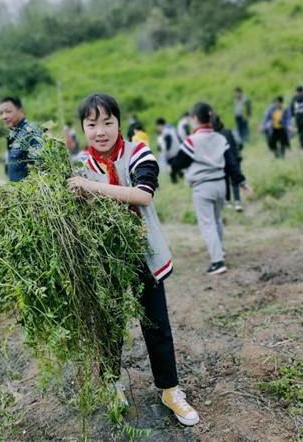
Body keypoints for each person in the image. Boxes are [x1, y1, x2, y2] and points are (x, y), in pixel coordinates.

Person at [68, 93, 199, 427]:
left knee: (156, 324)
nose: (100, 131)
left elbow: (143, 195)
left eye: (107, 123)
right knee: (109, 326)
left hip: (143, 255)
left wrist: (89, 187)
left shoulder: (138, 152)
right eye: (92, 124)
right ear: (83, 128)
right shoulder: (80, 165)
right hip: (106, 260)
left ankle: (170, 390)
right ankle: (112, 385)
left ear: (119, 123)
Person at [170, 102, 251, 274]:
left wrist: (173, 167)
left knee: (207, 225)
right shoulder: (220, 139)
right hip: (220, 185)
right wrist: (241, 181)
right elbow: (231, 164)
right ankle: (219, 251)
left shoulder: (192, 141)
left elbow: (179, 162)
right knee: (217, 220)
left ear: (194, 119)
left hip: (202, 187)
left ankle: (217, 262)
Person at [0, 96, 44, 182]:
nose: (4, 116)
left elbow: (42, 165)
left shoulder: (30, 132)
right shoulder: (14, 135)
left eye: (8, 111)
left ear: (21, 110)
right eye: (1, 113)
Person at [211, 114, 243, 212]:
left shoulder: (214, 136)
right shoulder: (229, 131)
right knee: (235, 181)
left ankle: (228, 201)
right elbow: (239, 143)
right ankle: (237, 202)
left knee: (225, 181)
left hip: (221, 162)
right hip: (234, 159)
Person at [156, 117, 183, 184]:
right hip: (177, 148)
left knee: (170, 165)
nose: (158, 128)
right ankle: (180, 175)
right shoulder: (171, 128)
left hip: (171, 151)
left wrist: (167, 150)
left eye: (158, 126)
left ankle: (174, 180)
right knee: (175, 164)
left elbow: (168, 140)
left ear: (160, 125)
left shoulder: (165, 131)